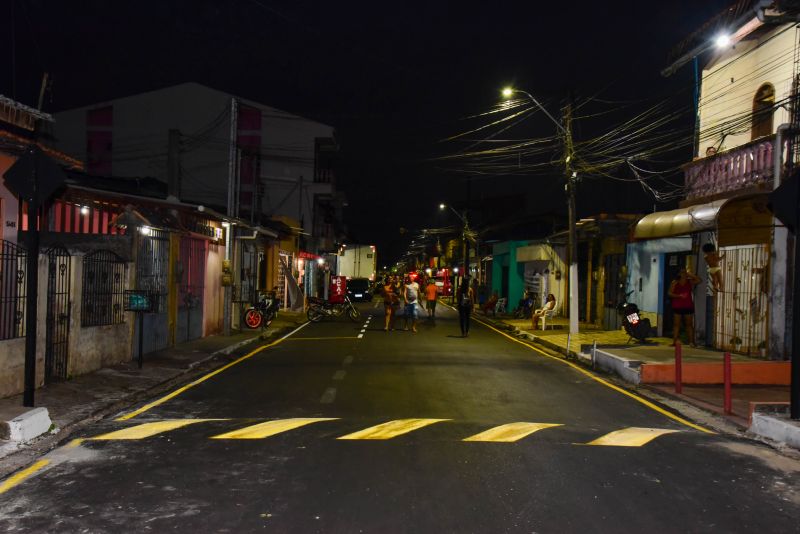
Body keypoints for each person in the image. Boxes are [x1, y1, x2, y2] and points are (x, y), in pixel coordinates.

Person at [668, 268, 701, 347]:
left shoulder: (689, 282)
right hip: (677, 306)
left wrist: (691, 274)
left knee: (689, 324)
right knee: (676, 324)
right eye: (682, 272)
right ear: (679, 274)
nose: (684, 274)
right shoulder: (675, 282)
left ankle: (691, 342)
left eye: (685, 272)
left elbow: (699, 280)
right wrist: (679, 296)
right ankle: (674, 342)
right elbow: (669, 293)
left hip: (688, 305)